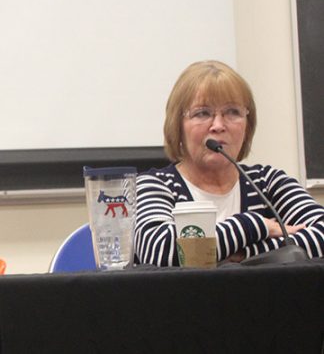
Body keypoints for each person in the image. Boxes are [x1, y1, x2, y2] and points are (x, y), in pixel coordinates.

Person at [134, 60, 324, 266]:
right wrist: (256, 226)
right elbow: (161, 251)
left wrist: (245, 254)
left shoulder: (267, 182)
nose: (218, 125)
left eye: (232, 112)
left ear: (247, 126)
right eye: (202, 113)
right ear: (177, 126)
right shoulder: (155, 185)